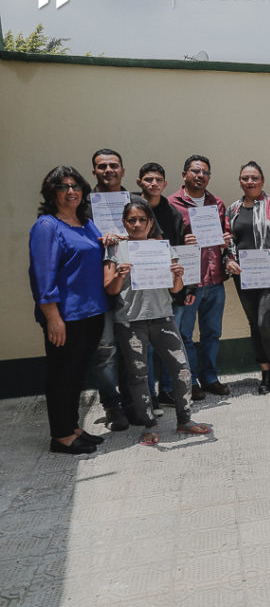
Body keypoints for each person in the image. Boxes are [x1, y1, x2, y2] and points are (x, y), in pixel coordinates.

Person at [104, 197, 213, 445]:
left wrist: (178, 276)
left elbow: (175, 290)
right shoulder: (114, 249)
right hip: (130, 322)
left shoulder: (162, 248)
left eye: (142, 220)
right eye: (132, 220)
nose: (137, 224)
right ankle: (149, 425)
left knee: (182, 370)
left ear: (151, 222)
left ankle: (185, 420)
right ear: (124, 223)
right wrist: (120, 276)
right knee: (139, 376)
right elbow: (109, 289)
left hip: (163, 318)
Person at [29, 167, 109, 454]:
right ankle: (61, 435)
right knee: (62, 374)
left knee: (77, 374)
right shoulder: (47, 226)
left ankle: (73, 427)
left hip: (92, 312)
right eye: (63, 187)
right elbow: (42, 274)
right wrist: (53, 317)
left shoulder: (86, 223)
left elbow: (98, 253)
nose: (71, 191)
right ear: (52, 192)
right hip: (66, 317)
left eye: (76, 186)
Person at [224, 161, 270, 395]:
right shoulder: (233, 208)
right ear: (240, 181)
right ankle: (264, 371)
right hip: (244, 275)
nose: (250, 182)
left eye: (254, 177)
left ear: (262, 181)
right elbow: (228, 240)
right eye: (245, 178)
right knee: (255, 324)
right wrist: (229, 259)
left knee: (268, 322)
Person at [168, 155, 234, 399]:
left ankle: (210, 378)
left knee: (212, 333)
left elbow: (226, 233)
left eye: (205, 172)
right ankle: (191, 380)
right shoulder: (171, 204)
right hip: (188, 283)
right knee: (184, 334)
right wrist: (181, 241)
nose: (200, 176)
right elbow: (162, 241)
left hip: (215, 279)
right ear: (184, 174)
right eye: (195, 171)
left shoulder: (216, 203)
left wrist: (226, 239)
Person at [136, 162, 194, 413]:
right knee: (147, 346)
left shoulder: (173, 214)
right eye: (148, 180)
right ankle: (150, 395)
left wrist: (187, 287)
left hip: (171, 288)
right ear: (140, 183)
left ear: (165, 184)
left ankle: (168, 391)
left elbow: (183, 253)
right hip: (141, 289)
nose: (153, 184)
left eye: (158, 180)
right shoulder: (134, 209)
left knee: (172, 343)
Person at [86, 149, 131, 430]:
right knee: (104, 350)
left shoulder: (135, 201)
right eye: (102, 166)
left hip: (131, 287)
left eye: (114, 165)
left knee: (131, 347)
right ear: (94, 172)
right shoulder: (84, 206)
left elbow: (152, 237)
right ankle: (112, 405)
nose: (108, 170)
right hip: (96, 289)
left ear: (123, 170)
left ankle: (133, 400)